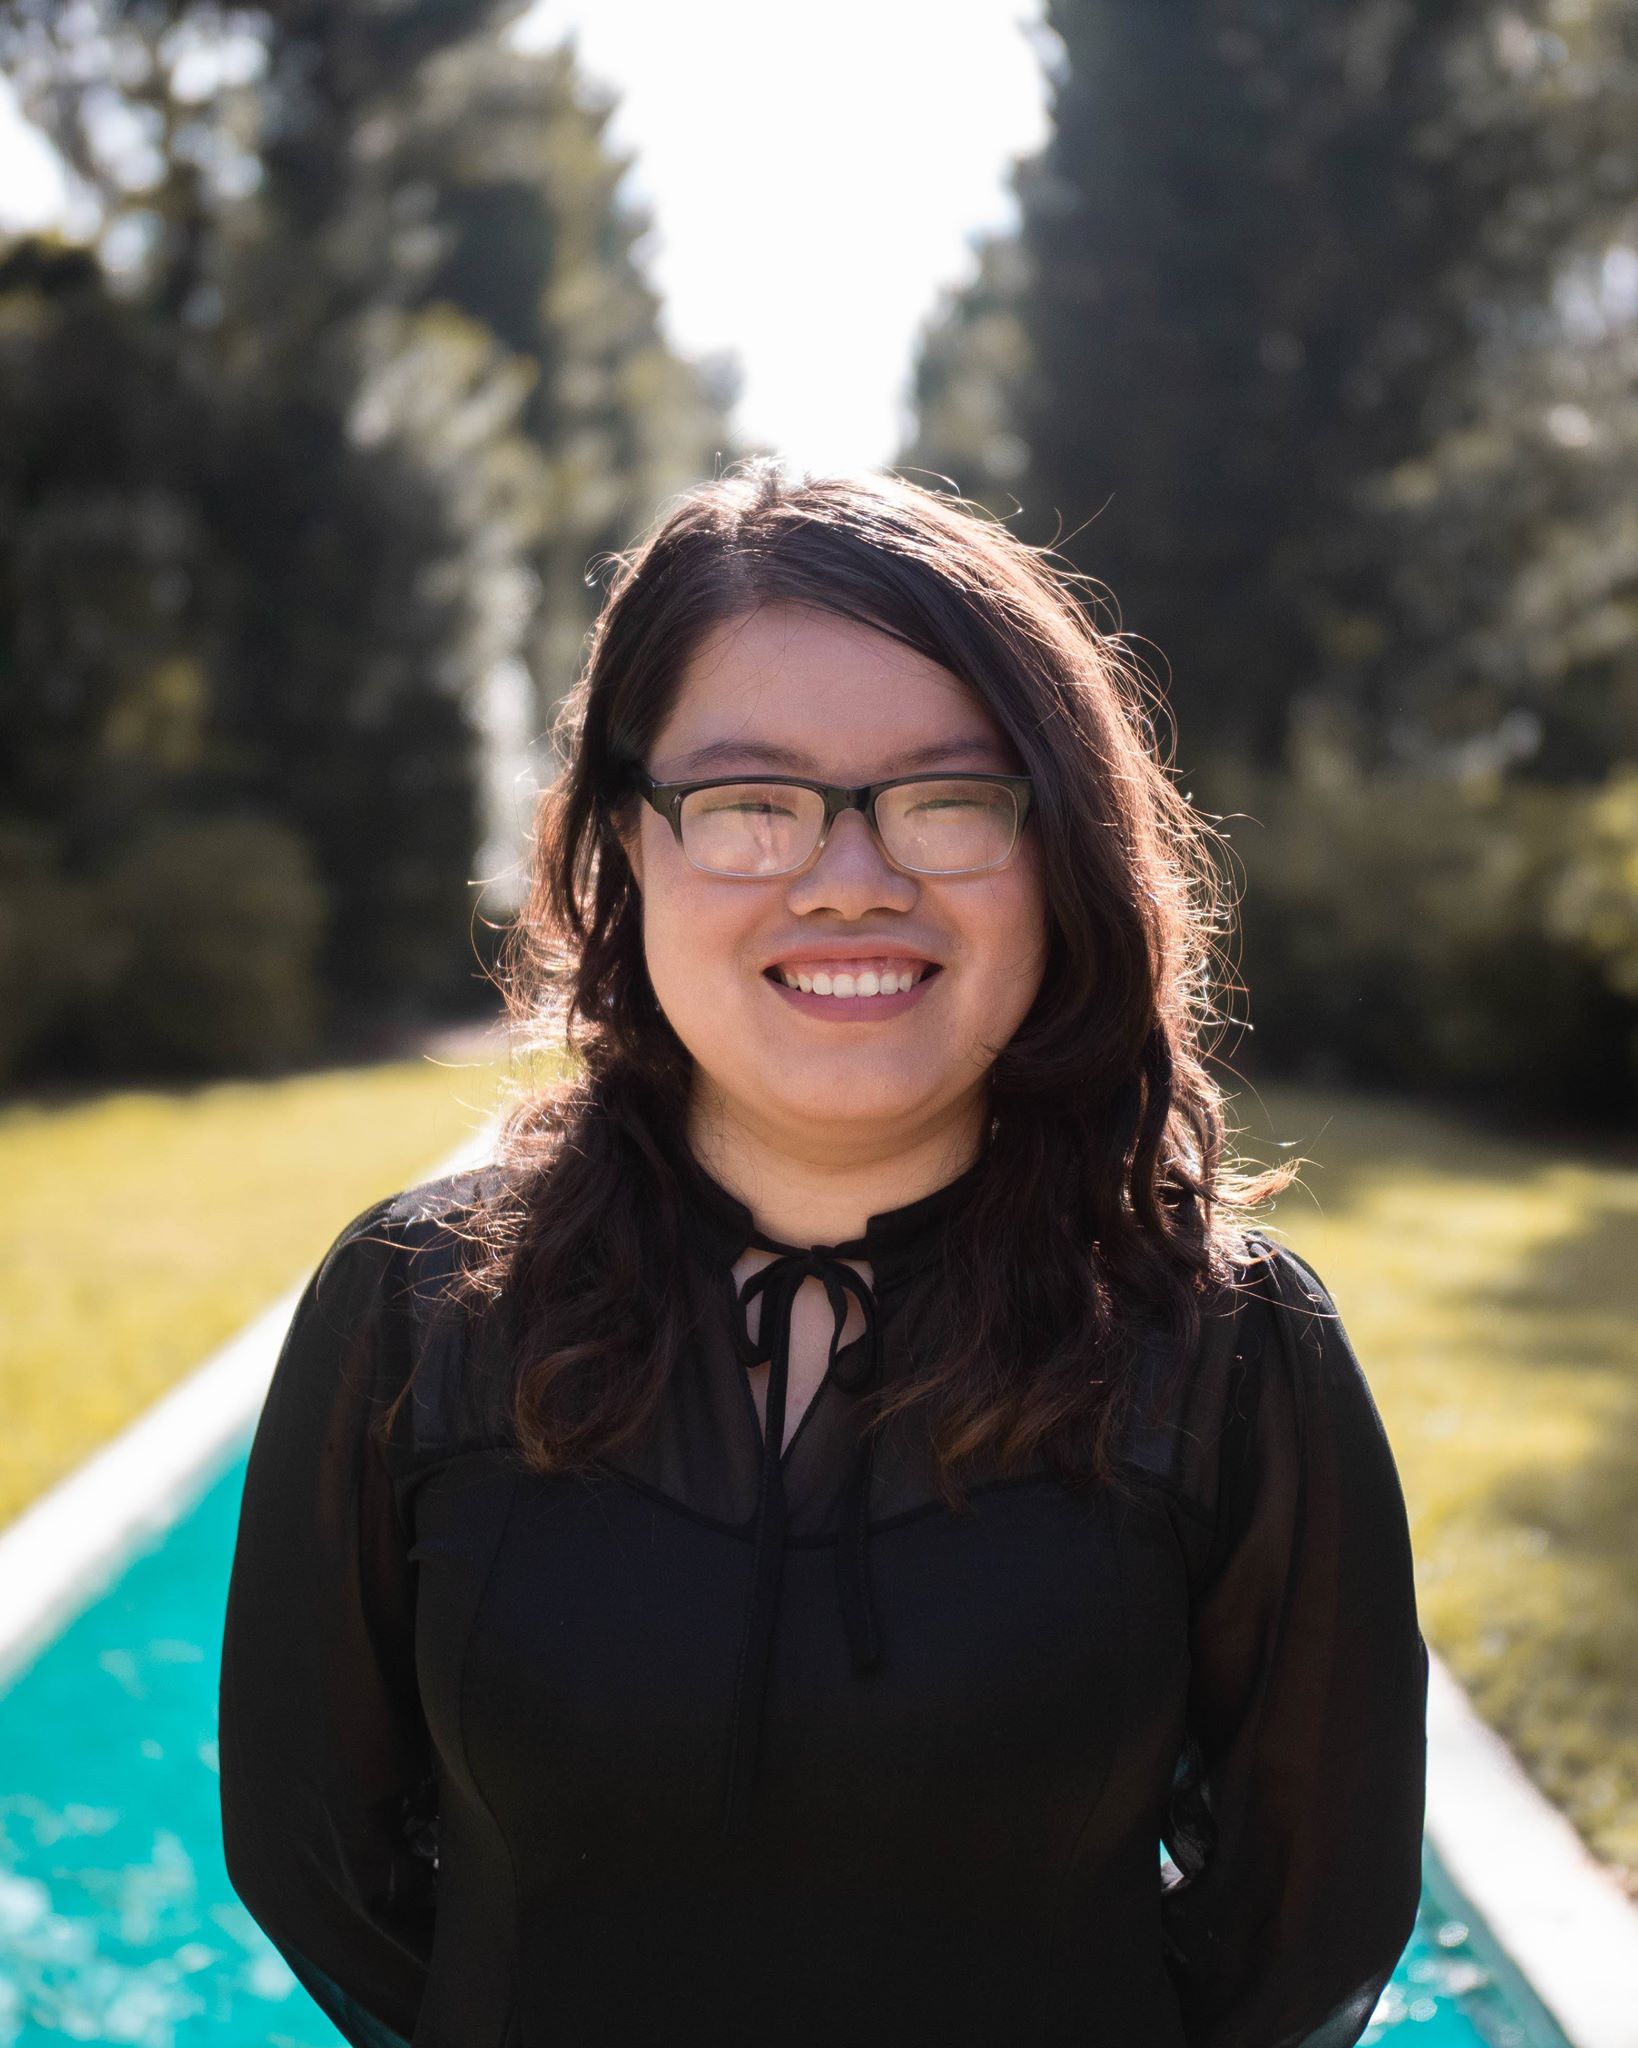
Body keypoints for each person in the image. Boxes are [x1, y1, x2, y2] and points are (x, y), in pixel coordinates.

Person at [217, 459, 1429, 2048]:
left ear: (1056, 847)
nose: (849, 881)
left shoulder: (1225, 1348)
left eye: (944, 799)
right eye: (748, 804)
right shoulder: (417, 1308)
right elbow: (314, 1852)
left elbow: (1307, 1921)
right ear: (621, 846)